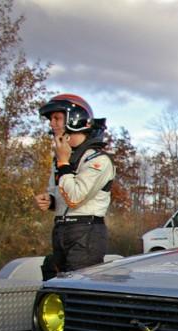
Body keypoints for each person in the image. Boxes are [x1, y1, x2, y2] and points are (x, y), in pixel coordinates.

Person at [35, 94, 115, 281]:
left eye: (57, 118)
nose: (51, 124)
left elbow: (75, 197)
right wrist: (51, 201)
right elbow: (61, 194)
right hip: (61, 229)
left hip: (86, 231)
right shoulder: (61, 159)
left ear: (74, 118)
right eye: (50, 119)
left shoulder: (98, 160)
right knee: (57, 284)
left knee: (79, 287)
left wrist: (63, 163)